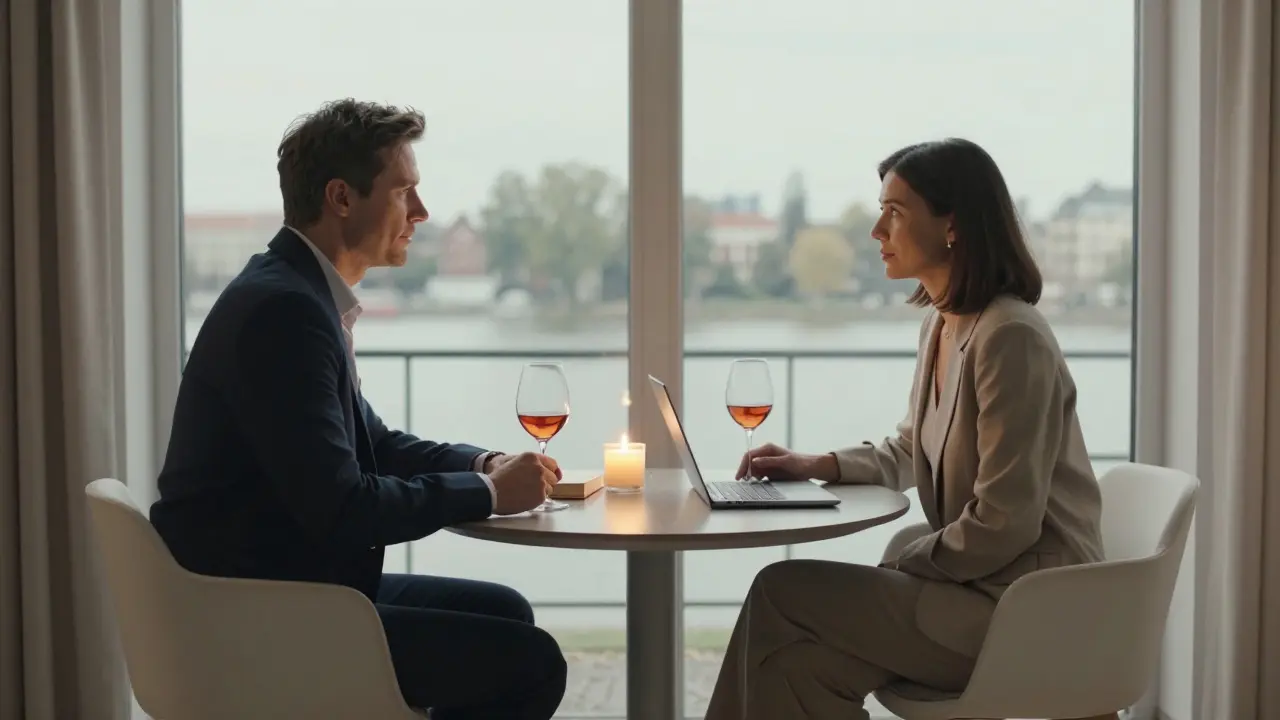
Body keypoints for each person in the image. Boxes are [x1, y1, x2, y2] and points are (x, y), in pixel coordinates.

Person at [150, 99, 567, 719]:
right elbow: (344, 508)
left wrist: (486, 464)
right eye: (404, 192)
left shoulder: (296, 294)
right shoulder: (285, 313)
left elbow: (378, 443)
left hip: (276, 587)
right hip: (255, 619)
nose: (421, 212)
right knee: (532, 663)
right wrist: (486, 494)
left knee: (505, 613)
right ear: (342, 197)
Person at [704, 138, 1107, 720]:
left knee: (779, 588)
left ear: (953, 225)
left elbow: (1006, 522)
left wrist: (904, 564)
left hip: (1023, 607)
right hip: (970, 590)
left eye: (894, 212)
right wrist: (816, 465)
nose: (876, 230)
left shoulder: (1010, 337)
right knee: (793, 669)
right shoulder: (943, 325)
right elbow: (911, 447)